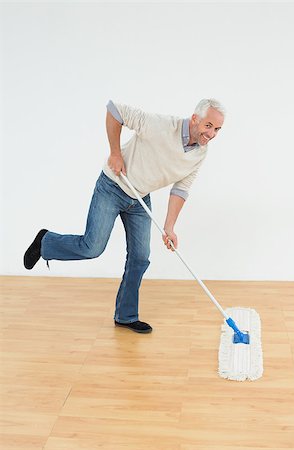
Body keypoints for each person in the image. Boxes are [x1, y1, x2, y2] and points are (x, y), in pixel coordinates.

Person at [24, 99, 225, 333]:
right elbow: (115, 110)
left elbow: (181, 188)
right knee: (92, 247)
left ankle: (126, 316)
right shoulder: (160, 125)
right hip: (112, 186)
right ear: (195, 119)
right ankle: (46, 242)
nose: (211, 134)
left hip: (140, 198)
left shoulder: (200, 153)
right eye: (208, 125)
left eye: (217, 129)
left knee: (140, 258)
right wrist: (115, 153)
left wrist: (169, 227)